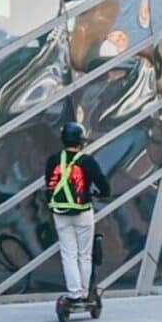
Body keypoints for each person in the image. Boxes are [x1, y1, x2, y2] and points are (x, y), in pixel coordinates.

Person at [45, 122, 111, 302]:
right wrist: (101, 193)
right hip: (82, 212)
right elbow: (104, 186)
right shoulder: (87, 161)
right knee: (84, 254)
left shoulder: (53, 160)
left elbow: (48, 183)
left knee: (68, 254)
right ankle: (84, 292)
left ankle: (73, 293)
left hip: (60, 212)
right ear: (81, 141)